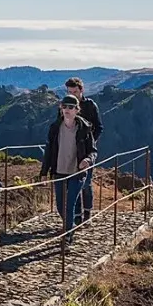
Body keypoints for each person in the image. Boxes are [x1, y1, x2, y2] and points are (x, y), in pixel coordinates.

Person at [39, 94, 98, 244]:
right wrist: (44, 173)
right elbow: (49, 151)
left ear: (77, 110)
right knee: (60, 205)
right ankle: (69, 226)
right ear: (60, 108)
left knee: (70, 203)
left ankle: (68, 235)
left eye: (71, 107)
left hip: (77, 173)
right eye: (64, 106)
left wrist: (87, 160)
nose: (67, 109)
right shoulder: (54, 128)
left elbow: (93, 151)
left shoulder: (85, 128)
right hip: (59, 171)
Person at [65, 77, 103, 222]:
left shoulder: (90, 106)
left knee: (85, 183)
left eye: (75, 92)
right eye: (69, 92)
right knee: (73, 184)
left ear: (81, 90)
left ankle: (87, 213)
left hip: (87, 152)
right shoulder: (66, 105)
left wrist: (90, 143)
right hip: (70, 151)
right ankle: (76, 217)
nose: (72, 95)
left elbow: (99, 127)